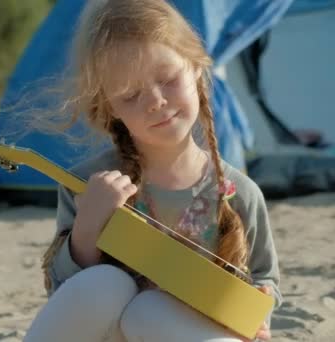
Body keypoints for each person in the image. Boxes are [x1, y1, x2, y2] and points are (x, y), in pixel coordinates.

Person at [24, 0, 281, 341]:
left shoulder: (239, 192)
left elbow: (265, 277)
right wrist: (87, 230)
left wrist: (261, 301)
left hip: (188, 331)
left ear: (195, 67)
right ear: (109, 107)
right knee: (108, 284)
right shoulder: (88, 186)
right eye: (131, 95)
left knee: (150, 310)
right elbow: (63, 293)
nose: (156, 101)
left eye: (167, 79)